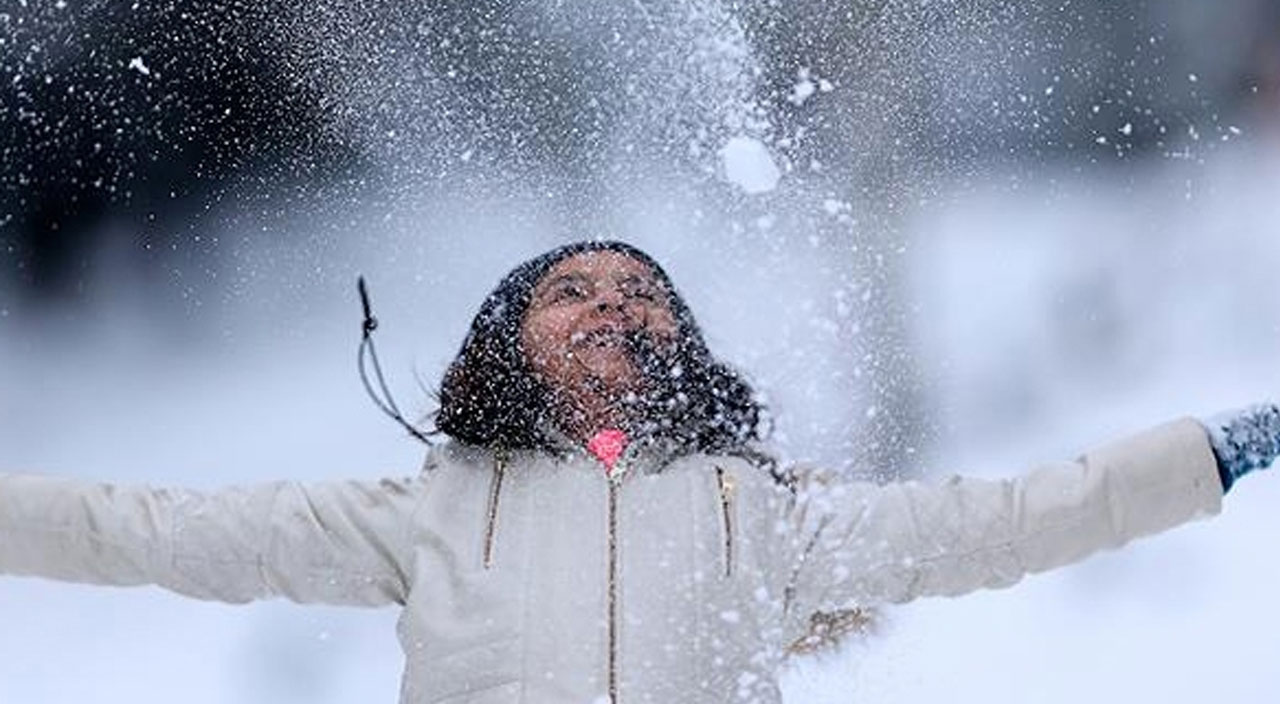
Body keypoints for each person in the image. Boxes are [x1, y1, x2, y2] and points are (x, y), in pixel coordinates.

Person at [0, 240, 1276, 704]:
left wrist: (1215, 448)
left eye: (641, 291)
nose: (612, 303)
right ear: (511, 344)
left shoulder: (762, 515)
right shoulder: (425, 512)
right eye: (571, 291)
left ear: (682, 342)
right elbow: (153, 528)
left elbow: (1003, 520)